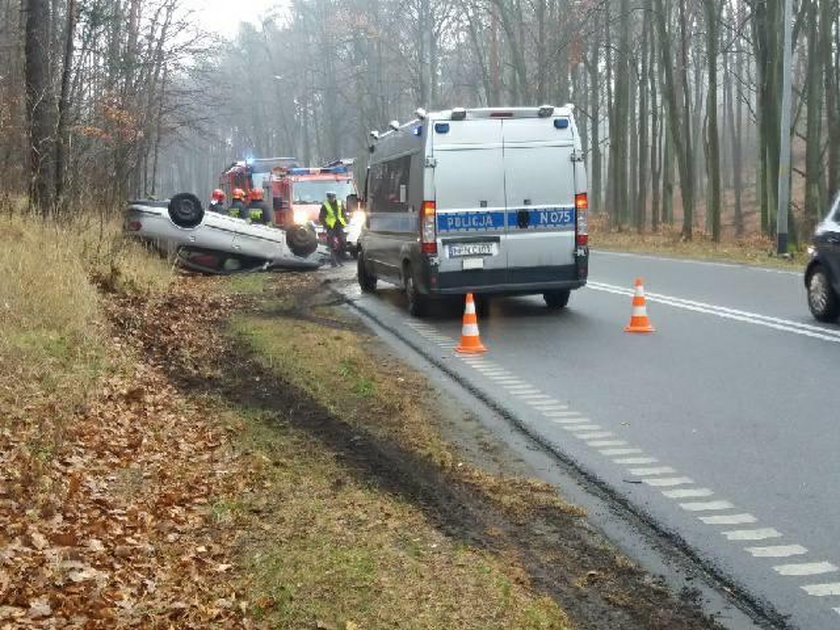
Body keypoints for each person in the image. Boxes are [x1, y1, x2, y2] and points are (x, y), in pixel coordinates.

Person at [319, 191, 347, 267]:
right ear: (328, 198)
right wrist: (325, 225)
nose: (331, 199)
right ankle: (333, 262)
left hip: (339, 225)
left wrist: (345, 221)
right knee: (331, 244)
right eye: (330, 198)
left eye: (332, 197)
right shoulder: (325, 205)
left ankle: (340, 258)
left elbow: (343, 213)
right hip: (330, 226)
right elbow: (321, 217)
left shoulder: (339, 203)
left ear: (335, 197)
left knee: (342, 242)